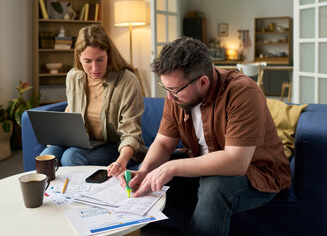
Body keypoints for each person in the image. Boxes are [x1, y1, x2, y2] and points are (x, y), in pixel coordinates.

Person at [118, 37, 291, 235]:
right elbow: (164, 143)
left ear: (203, 82)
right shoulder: (176, 96)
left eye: (174, 90)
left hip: (256, 173)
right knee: (157, 178)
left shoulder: (243, 92)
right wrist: (145, 172)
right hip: (203, 165)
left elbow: (236, 162)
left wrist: (171, 167)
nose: (169, 97)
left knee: (213, 185)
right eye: (165, 88)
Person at [40, 24, 146, 176]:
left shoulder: (127, 81)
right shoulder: (73, 76)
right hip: (86, 143)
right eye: (88, 61)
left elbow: (131, 133)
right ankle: (54, 198)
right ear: (79, 58)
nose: (95, 68)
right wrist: (58, 135)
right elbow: (71, 108)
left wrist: (121, 160)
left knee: (71, 157)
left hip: (117, 146)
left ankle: (82, 197)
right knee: (48, 155)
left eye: (100, 59)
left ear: (109, 54)